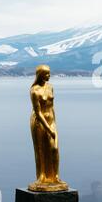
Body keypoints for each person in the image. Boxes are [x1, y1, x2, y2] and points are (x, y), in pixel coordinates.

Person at [28, 64, 68, 192]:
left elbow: (52, 107)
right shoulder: (34, 91)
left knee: (54, 148)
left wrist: (54, 125)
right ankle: (42, 176)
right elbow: (38, 112)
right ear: (40, 75)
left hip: (51, 121)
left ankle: (55, 176)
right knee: (40, 150)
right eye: (46, 74)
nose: (49, 76)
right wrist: (48, 128)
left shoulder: (50, 87)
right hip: (39, 123)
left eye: (49, 73)